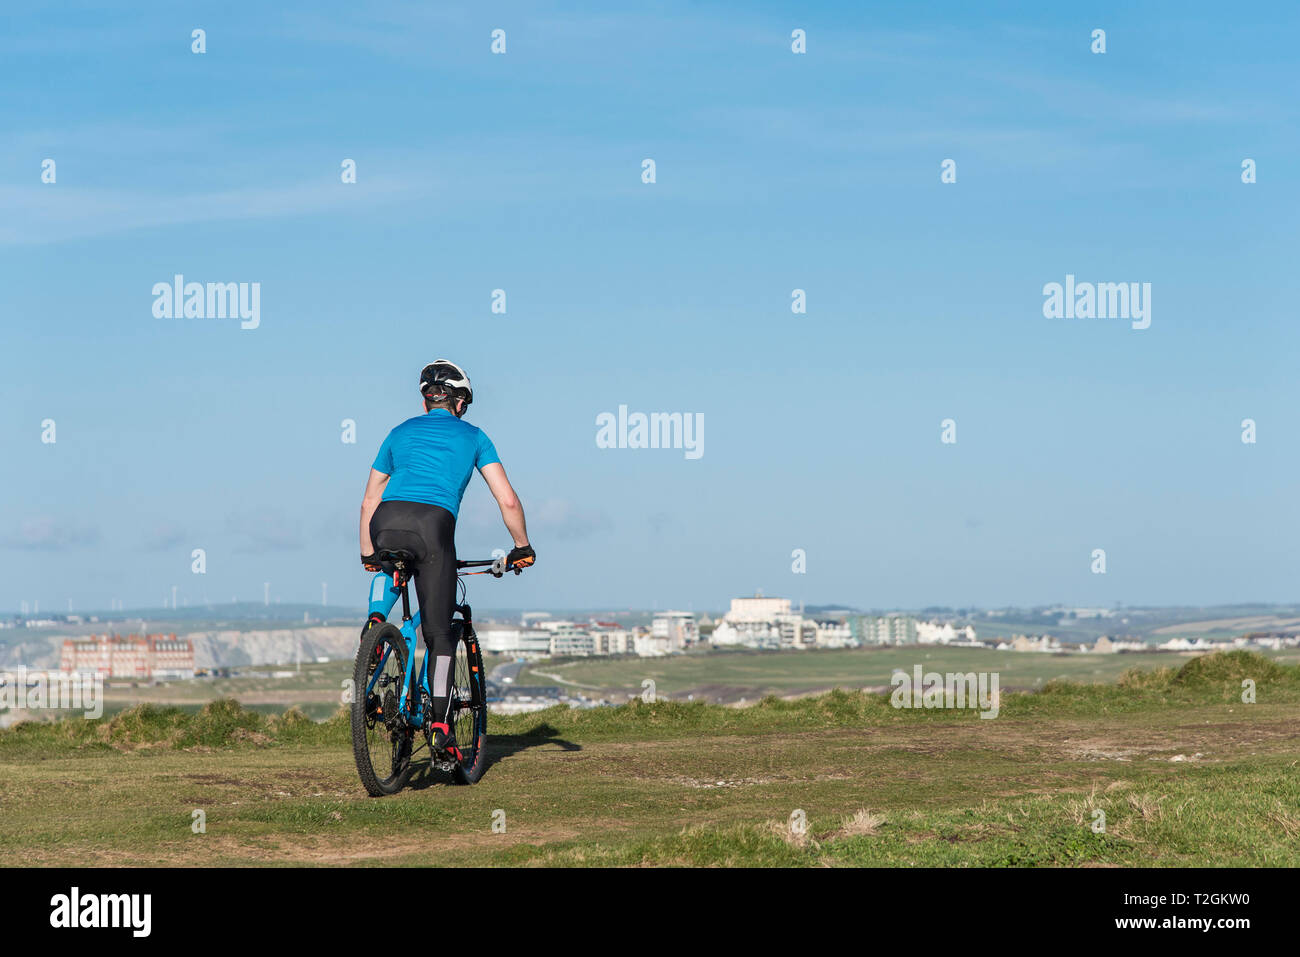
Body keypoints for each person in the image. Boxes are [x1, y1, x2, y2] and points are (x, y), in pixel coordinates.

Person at [359, 359, 534, 754]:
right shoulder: (474, 437)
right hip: (432, 528)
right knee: (438, 635)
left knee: (387, 566)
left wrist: (368, 553)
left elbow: (370, 499)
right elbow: (506, 498)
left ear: (427, 401)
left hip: (386, 521)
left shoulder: (398, 432)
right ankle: (441, 728)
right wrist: (522, 546)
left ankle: (373, 625)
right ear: (459, 403)